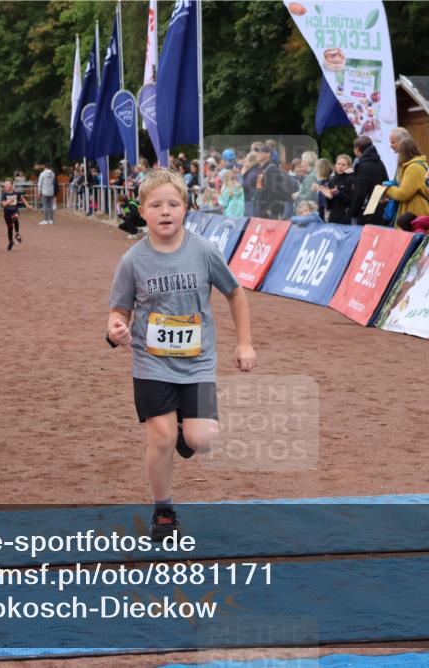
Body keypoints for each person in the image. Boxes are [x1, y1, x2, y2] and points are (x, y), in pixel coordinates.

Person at [106, 169, 255, 539]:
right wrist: (116, 328)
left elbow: (235, 293)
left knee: (201, 439)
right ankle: (164, 510)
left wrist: (245, 342)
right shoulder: (132, 260)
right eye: (156, 205)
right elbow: (118, 310)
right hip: (150, 361)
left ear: (186, 209)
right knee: (160, 438)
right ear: (142, 212)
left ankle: (186, 433)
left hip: (198, 363)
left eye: (173, 203)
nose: (165, 211)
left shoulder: (204, 251)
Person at [384, 138, 429, 221]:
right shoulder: (421, 164)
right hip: (420, 211)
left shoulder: (413, 168)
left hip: (415, 213)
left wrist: (387, 189)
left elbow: (403, 194)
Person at [348, 136, 389, 225]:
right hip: (380, 210)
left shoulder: (362, 166)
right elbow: (385, 183)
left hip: (366, 213)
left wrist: (353, 212)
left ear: (357, 149)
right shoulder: (379, 163)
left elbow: (360, 193)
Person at [320, 154, 355, 224]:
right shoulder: (332, 180)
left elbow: (352, 201)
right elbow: (329, 206)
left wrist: (338, 193)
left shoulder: (352, 179)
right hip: (333, 218)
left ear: (348, 166)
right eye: (338, 164)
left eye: (343, 164)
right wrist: (329, 197)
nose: (340, 166)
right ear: (335, 165)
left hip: (346, 218)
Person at [1, 179, 29, 251]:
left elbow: (22, 199)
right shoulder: (4, 194)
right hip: (7, 213)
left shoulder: (17, 193)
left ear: (11, 185)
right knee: (10, 228)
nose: (6, 185)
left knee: (15, 217)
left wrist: (27, 205)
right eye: (5, 184)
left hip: (14, 211)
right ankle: (10, 241)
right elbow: (3, 204)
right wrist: (10, 200)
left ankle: (17, 233)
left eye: (7, 184)